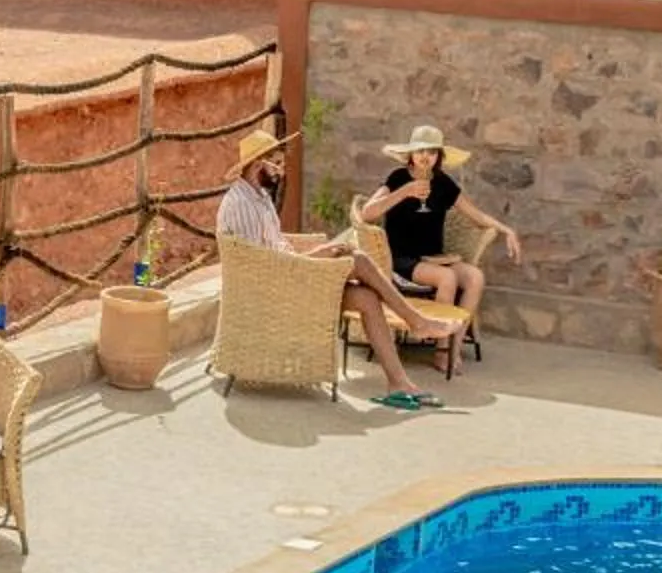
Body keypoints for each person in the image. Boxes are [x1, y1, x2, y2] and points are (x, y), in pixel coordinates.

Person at [216, 127, 454, 411]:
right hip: (272, 291)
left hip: (286, 277)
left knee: (366, 297)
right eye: (276, 164)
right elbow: (260, 266)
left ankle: (398, 383)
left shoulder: (261, 197)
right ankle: (415, 320)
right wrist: (321, 256)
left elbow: (278, 249)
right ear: (257, 165)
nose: (282, 171)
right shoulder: (241, 203)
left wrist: (319, 253)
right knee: (357, 260)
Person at [356, 124, 521, 326]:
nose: (426, 156)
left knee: (475, 278)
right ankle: (440, 350)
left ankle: (453, 347)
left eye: (432, 151)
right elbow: (366, 214)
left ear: (439, 156)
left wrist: (507, 230)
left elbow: (476, 215)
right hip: (401, 259)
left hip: (434, 258)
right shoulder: (398, 178)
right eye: (420, 150)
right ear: (411, 154)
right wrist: (404, 192)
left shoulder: (443, 183)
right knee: (447, 278)